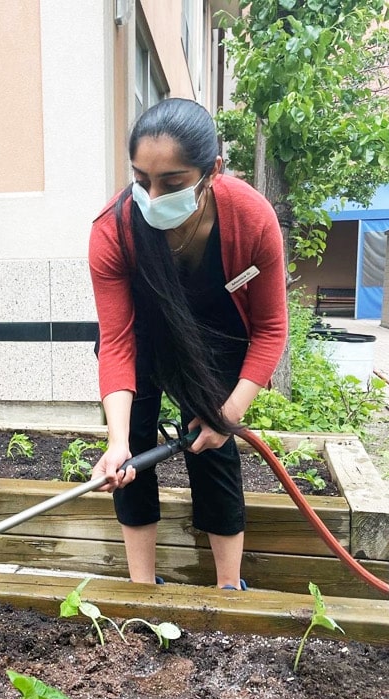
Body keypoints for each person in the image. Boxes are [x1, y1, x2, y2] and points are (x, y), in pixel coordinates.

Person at [88, 98, 287, 590]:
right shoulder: (113, 230)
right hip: (141, 333)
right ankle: (142, 588)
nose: (153, 196)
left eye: (172, 183)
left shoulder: (251, 219)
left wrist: (228, 414)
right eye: (141, 180)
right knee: (131, 450)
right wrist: (117, 443)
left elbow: (270, 329)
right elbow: (116, 342)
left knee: (212, 444)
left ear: (212, 171)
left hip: (216, 332)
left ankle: (228, 588)